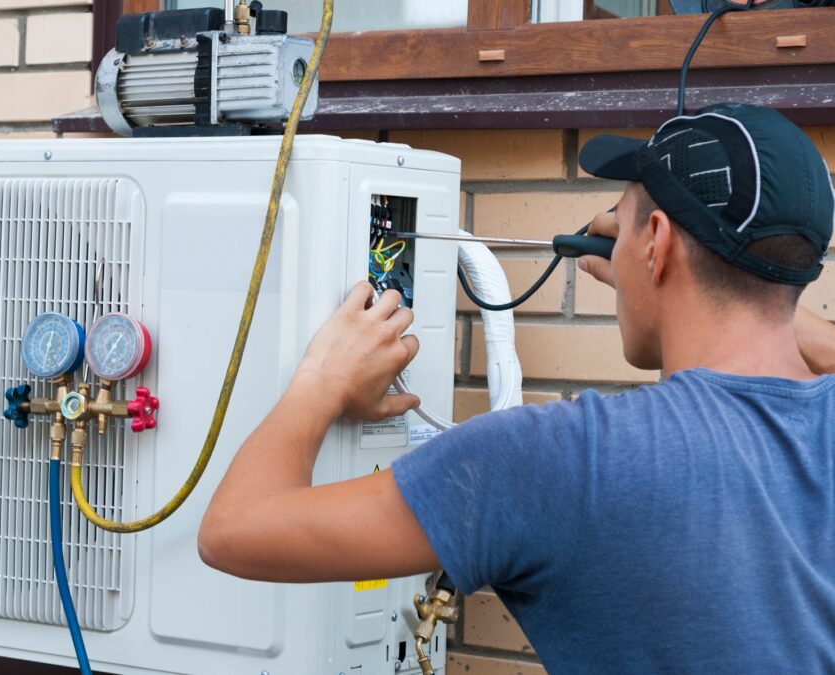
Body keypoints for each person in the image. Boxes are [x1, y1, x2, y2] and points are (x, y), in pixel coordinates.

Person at [198, 103, 835, 672]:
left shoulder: (561, 459)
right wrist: (684, 288)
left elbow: (233, 530)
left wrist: (323, 377)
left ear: (658, 243)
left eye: (631, 223)